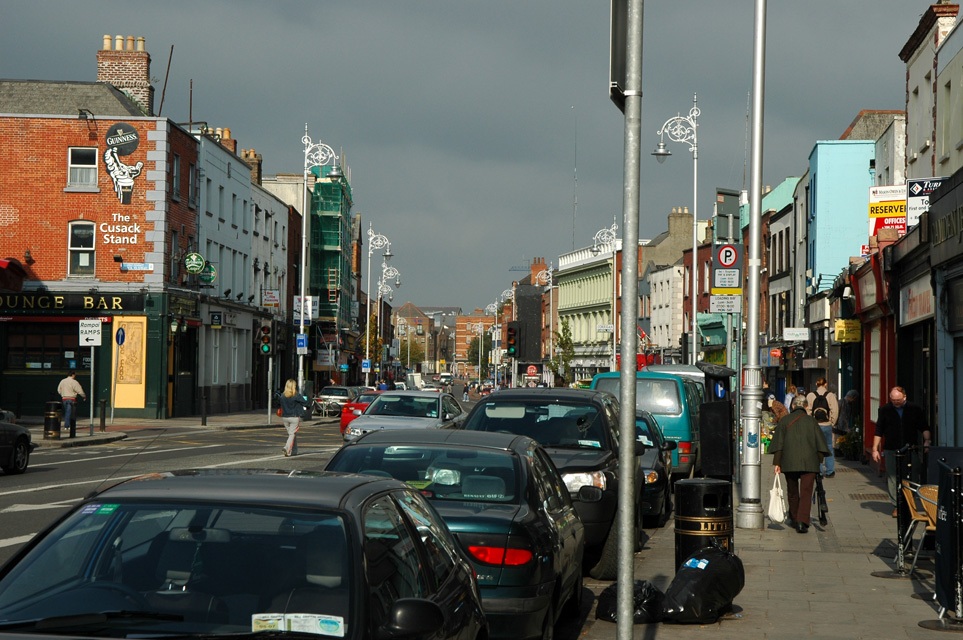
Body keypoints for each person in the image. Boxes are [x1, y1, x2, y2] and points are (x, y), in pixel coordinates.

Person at [769, 396, 830, 533]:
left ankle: (795, 518)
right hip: (809, 462)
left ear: (792, 406)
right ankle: (802, 522)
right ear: (806, 407)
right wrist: (818, 462)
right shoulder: (812, 421)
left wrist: (777, 463)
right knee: (806, 491)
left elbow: (779, 444)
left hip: (789, 462)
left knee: (792, 491)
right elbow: (820, 444)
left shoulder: (785, 421)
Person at [871, 386, 931, 517]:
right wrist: (875, 449)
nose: (896, 402)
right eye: (893, 400)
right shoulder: (885, 410)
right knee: (893, 477)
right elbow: (879, 430)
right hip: (891, 448)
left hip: (910, 448)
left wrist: (927, 441)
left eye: (898, 400)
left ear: (904, 397)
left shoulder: (914, 409)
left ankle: (910, 502)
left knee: (914, 473)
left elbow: (924, 426)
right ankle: (897, 506)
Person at [806, 378, 839, 478]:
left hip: (815, 425)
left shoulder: (810, 395)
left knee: (816, 448)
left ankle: (818, 471)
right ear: (825, 384)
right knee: (828, 447)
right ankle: (830, 471)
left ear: (816, 384)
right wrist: (832, 422)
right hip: (827, 424)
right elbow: (835, 410)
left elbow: (808, 410)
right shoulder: (830, 395)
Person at [278, 379, 310, 457]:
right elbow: (305, 402)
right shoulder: (296, 395)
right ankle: (287, 449)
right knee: (292, 434)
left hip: (285, 417)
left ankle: (294, 451)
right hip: (294, 417)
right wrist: (307, 406)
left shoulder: (282, 396)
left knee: (291, 434)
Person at [57, 371, 86, 438]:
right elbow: (80, 390)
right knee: (69, 412)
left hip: (64, 398)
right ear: (73, 375)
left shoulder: (63, 381)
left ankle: (67, 425)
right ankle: (67, 425)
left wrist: (62, 394)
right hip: (72, 399)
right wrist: (84, 396)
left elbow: (59, 390)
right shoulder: (74, 382)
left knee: (67, 412)